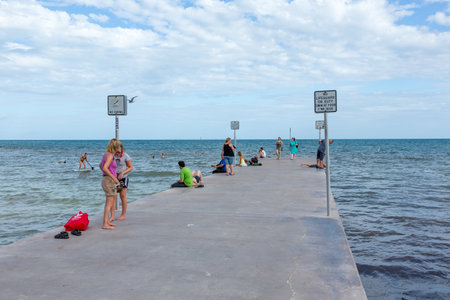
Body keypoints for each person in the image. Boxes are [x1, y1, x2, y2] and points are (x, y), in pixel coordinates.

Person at [99, 139, 122, 230]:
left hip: (106, 179)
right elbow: (104, 168)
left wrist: (106, 175)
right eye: (119, 146)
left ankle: (107, 221)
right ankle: (105, 224)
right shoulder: (110, 156)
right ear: (115, 146)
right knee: (109, 203)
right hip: (109, 181)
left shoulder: (106, 155)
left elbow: (100, 166)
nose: (120, 148)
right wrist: (114, 178)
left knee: (109, 202)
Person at [114, 144, 133, 221]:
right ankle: (112, 215)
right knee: (113, 196)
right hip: (114, 177)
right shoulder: (112, 155)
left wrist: (122, 173)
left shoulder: (125, 156)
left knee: (122, 196)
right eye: (116, 151)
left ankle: (123, 215)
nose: (117, 153)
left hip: (123, 178)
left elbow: (131, 167)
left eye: (119, 151)